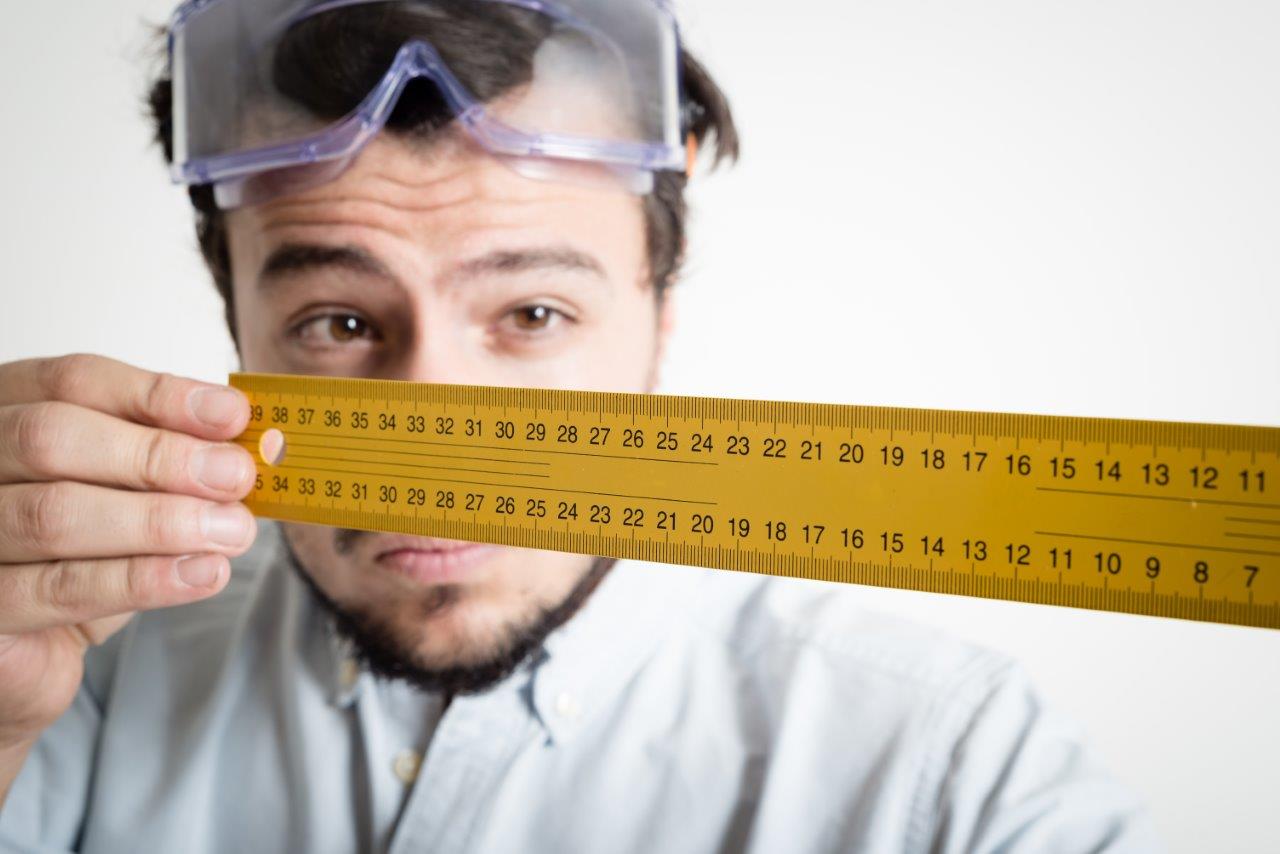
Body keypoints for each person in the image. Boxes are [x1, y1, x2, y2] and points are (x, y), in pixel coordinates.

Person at [0, 1, 1162, 851]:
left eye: (533, 312)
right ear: (234, 321)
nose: (434, 459)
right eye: (338, 319)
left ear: (659, 305)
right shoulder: (77, 673)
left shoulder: (949, 770)